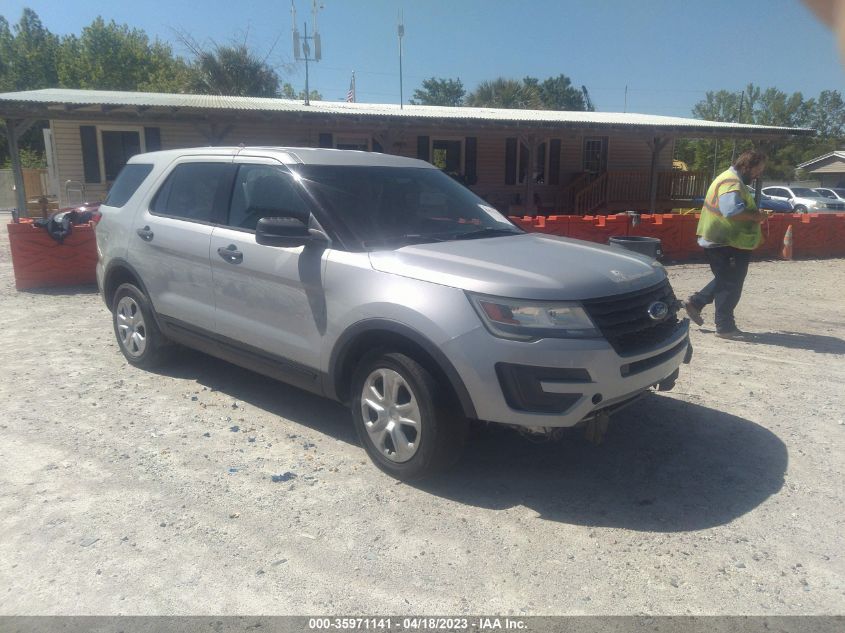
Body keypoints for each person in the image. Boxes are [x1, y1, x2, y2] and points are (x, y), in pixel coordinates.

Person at [684, 150, 768, 339]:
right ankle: (725, 327)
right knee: (731, 284)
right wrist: (757, 216)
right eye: (758, 169)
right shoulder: (732, 182)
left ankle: (696, 303)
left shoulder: (728, 179)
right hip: (725, 241)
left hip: (722, 240)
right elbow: (731, 211)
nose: (758, 175)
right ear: (747, 166)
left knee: (726, 278)